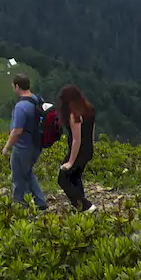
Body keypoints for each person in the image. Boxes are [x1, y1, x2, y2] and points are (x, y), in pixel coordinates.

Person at [1, 73, 48, 211]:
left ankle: (19, 204)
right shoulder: (36, 99)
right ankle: (40, 202)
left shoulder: (21, 107)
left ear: (17, 86)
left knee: (18, 177)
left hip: (23, 147)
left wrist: (6, 147)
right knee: (27, 172)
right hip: (36, 145)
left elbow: (17, 131)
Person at [56, 83, 97, 212]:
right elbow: (92, 131)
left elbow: (76, 140)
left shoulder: (74, 115)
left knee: (63, 179)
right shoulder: (88, 109)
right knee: (75, 177)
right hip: (88, 150)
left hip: (79, 152)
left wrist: (70, 161)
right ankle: (81, 207)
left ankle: (86, 206)